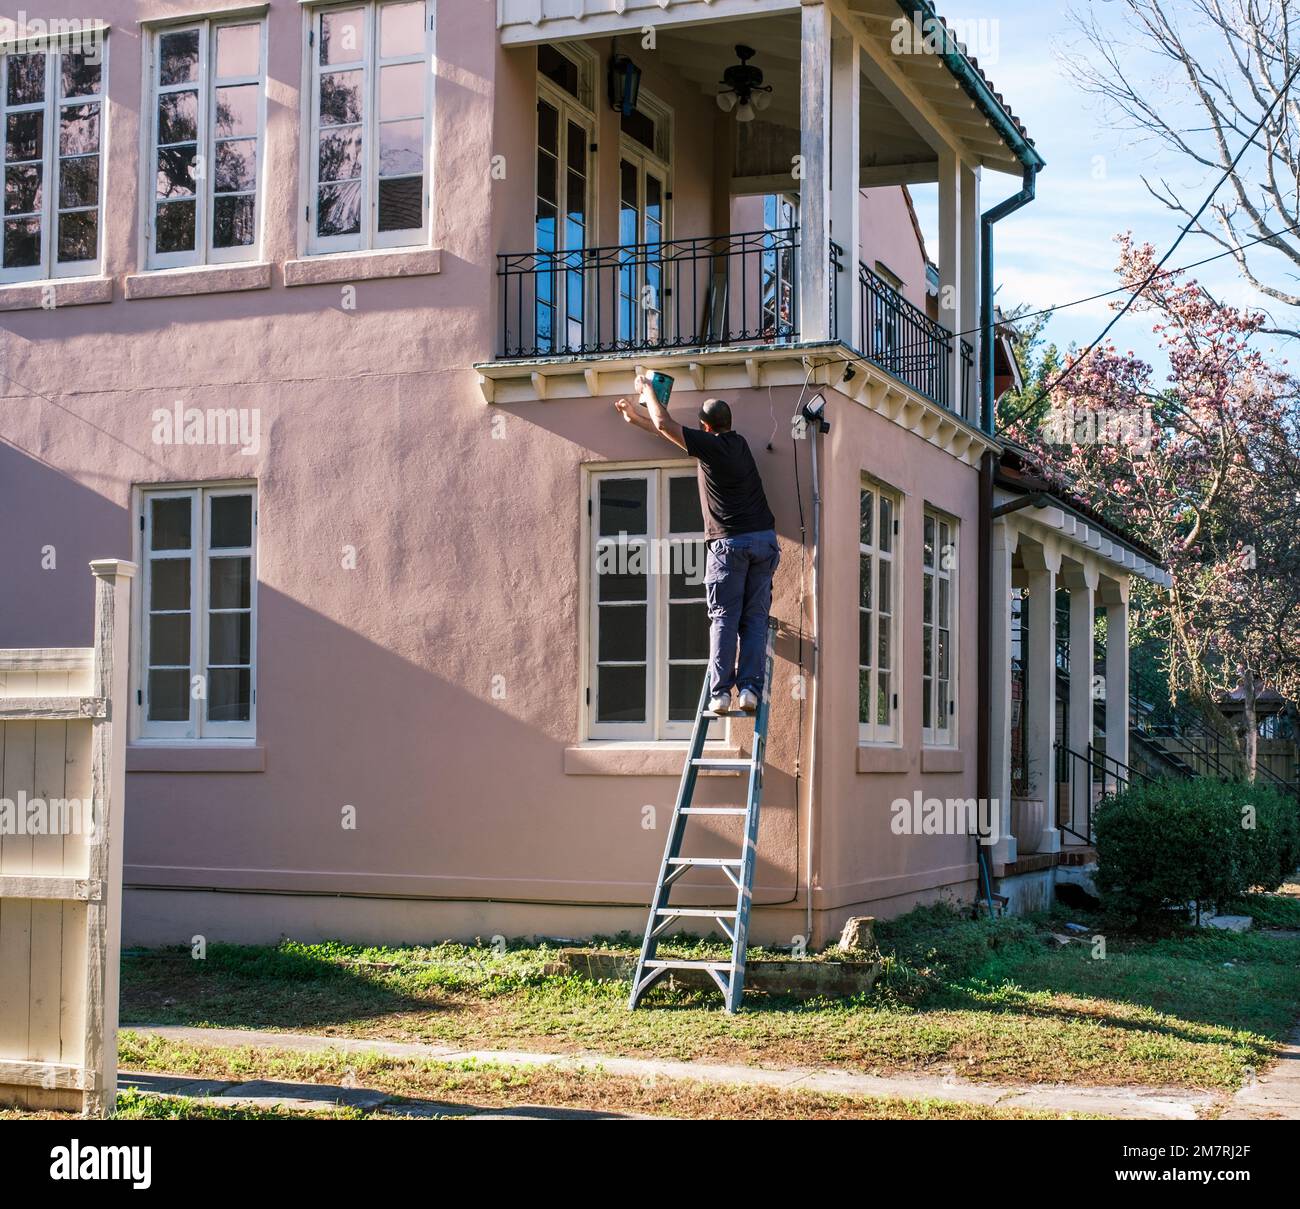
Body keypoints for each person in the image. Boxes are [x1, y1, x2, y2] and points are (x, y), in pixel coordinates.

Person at [615, 376, 779, 715]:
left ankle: (719, 694)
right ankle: (749, 690)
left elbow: (666, 423)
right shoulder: (739, 444)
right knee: (755, 619)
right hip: (764, 540)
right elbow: (669, 431)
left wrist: (646, 388)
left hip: (730, 543)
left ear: (705, 427)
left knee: (724, 618)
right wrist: (635, 418)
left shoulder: (710, 446)